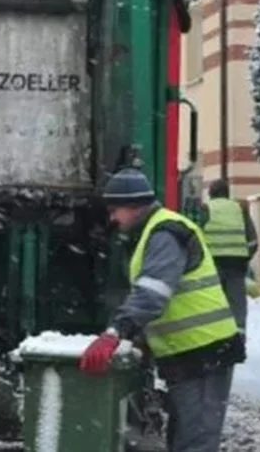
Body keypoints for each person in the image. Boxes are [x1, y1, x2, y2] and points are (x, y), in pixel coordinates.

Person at [79, 167, 244, 452]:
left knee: (195, 443)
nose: (112, 218)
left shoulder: (165, 234)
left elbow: (153, 294)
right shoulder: (155, 232)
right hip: (193, 355)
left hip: (204, 353)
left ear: (134, 206)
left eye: (115, 209)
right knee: (185, 442)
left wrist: (116, 332)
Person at [199, 179, 259, 334]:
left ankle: (215, 336)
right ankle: (238, 335)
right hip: (236, 264)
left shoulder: (205, 208)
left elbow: (196, 237)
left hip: (212, 264)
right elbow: (253, 241)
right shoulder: (239, 208)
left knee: (212, 301)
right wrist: (244, 257)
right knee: (236, 302)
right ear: (227, 193)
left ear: (210, 194)